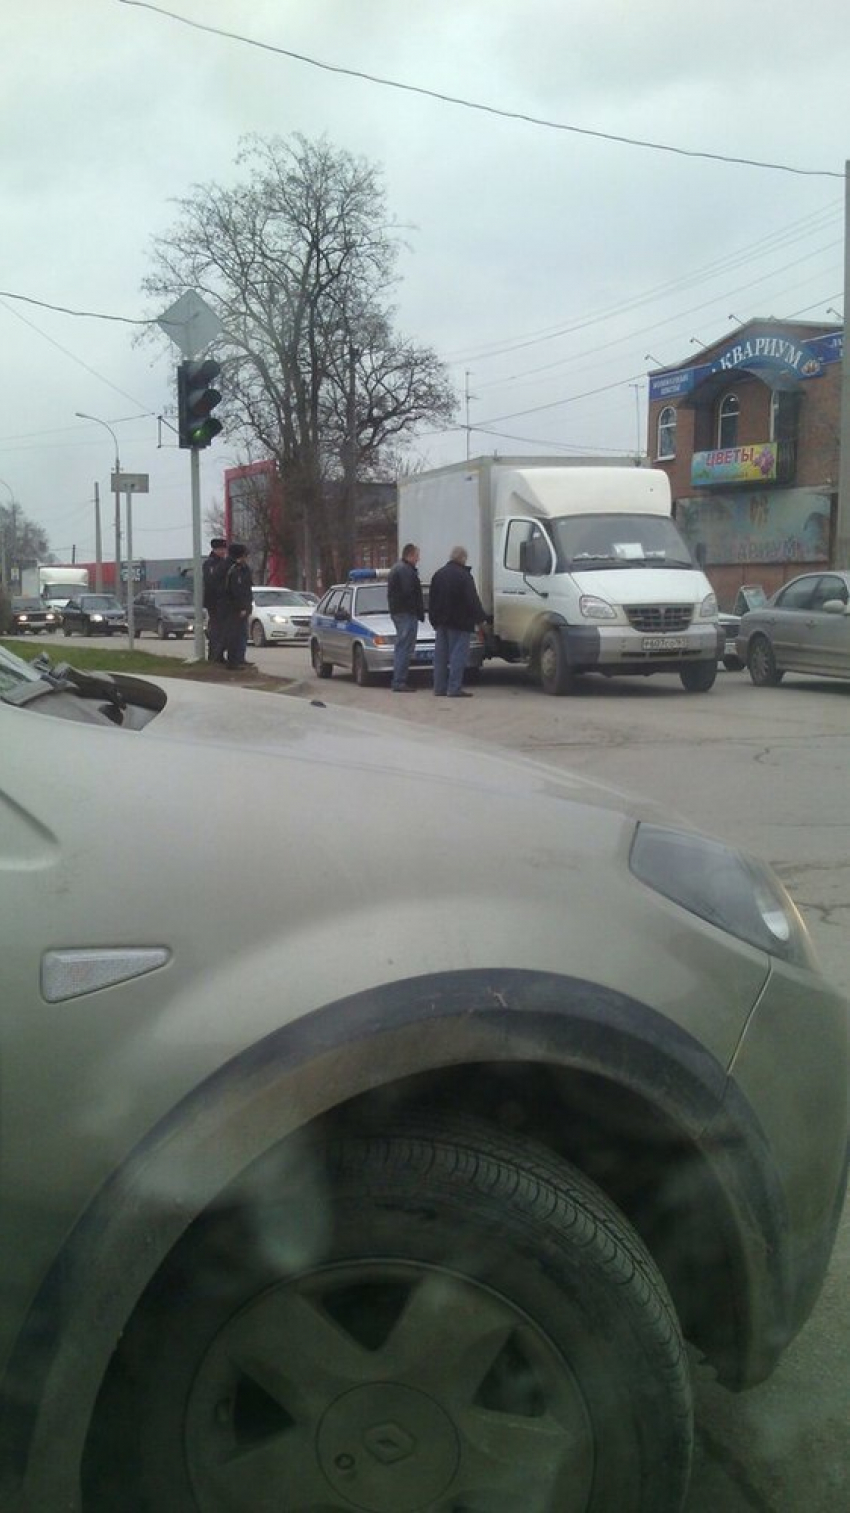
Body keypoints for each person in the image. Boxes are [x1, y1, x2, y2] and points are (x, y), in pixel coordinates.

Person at [428, 545, 487, 698]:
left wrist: (434, 620)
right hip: (461, 623)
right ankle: (454, 688)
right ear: (462, 558)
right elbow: (472, 600)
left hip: (442, 623)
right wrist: (481, 619)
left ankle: (439, 688)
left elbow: (432, 600)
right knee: (458, 656)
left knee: (440, 657)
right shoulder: (464, 576)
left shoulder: (438, 575)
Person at [387, 542, 425, 692]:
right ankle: (399, 681)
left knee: (403, 646)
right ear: (410, 555)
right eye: (417, 555)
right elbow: (409, 593)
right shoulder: (405, 571)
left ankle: (400, 680)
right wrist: (417, 610)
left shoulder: (399, 568)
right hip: (406, 613)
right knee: (404, 647)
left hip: (400, 612)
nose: (418, 559)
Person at [222, 544, 254, 669]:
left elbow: (247, 590)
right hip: (234, 609)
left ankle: (240, 659)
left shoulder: (244, 569)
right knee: (234, 635)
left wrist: (248, 606)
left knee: (242, 635)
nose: (246, 558)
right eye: (244, 555)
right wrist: (241, 607)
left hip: (243, 607)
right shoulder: (233, 570)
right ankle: (233, 662)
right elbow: (235, 591)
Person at [202, 537, 229, 663]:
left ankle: (219, 655)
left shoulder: (224, 562)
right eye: (221, 549)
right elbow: (212, 581)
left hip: (224, 602)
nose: (223, 551)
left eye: (224, 549)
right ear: (215, 549)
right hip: (214, 602)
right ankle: (214, 655)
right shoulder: (210, 563)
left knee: (224, 630)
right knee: (216, 630)